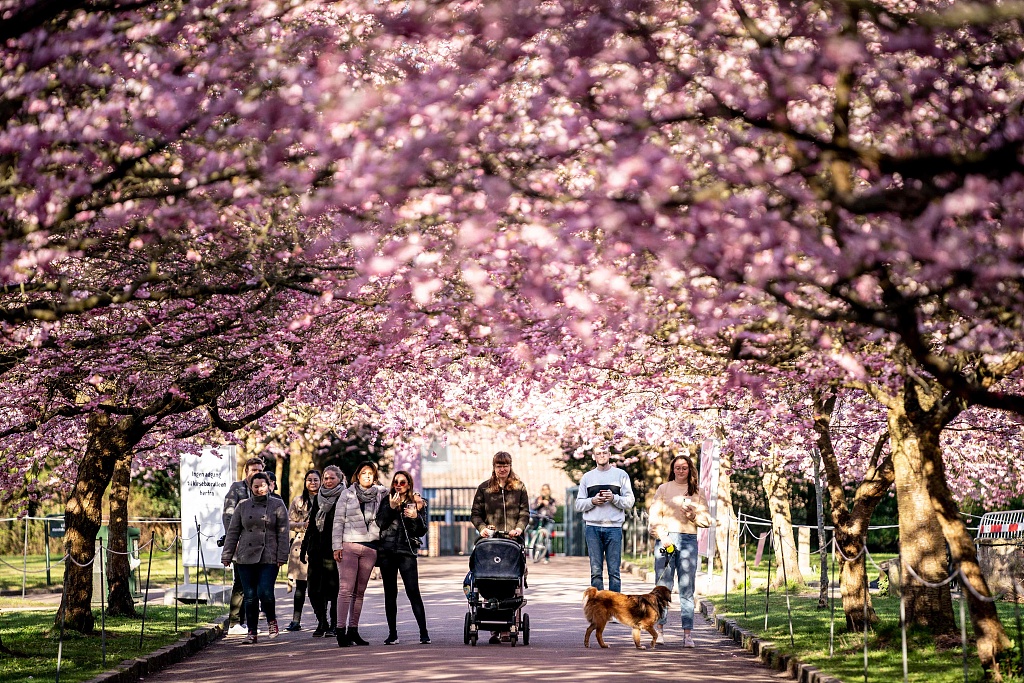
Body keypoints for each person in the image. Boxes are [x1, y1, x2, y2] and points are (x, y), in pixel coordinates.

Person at [648, 454, 710, 648]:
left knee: (686, 587)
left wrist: (693, 516)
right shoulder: (663, 489)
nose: (681, 470)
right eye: (677, 467)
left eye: (684, 467)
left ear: (690, 469)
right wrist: (662, 536)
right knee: (662, 587)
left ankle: (687, 634)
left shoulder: (697, 491)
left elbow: (706, 520)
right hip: (666, 540)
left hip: (688, 540)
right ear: (672, 469)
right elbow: (654, 516)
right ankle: (660, 630)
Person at [221, 471, 290, 644]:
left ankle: (271, 620)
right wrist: (227, 554)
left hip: (269, 556)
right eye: (256, 486)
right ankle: (252, 632)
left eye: (263, 485)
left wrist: (282, 555)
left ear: (269, 486)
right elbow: (233, 532)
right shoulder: (242, 506)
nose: (259, 489)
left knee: (265, 591)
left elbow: (283, 533)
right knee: (250, 595)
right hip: (245, 556)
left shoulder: (277, 505)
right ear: (250, 487)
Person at [471, 451, 530, 644]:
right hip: (490, 543)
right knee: (488, 580)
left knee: (510, 582)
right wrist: (482, 529)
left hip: (512, 542)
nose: (502, 469)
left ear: (510, 466)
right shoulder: (484, 489)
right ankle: (493, 628)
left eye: (505, 465)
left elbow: (524, 513)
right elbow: (475, 514)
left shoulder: (519, 488)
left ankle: (507, 625)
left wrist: (519, 529)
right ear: (494, 467)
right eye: (498, 465)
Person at [332, 460, 386, 647]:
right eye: (364, 473)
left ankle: (353, 630)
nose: (367, 476)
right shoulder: (347, 494)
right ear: (357, 475)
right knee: (346, 590)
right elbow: (338, 521)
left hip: (370, 548)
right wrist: (336, 546)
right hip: (349, 546)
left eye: (370, 473)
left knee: (360, 592)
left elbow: (400, 492)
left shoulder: (380, 493)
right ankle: (340, 630)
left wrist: (418, 498)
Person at [375, 470, 430, 645]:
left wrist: (415, 517)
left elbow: (422, 531)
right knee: (390, 593)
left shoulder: (418, 503)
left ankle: (424, 632)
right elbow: (380, 523)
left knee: (413, 591)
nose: (398, 485)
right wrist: (391, 508)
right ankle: (392, 633)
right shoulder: (387, 500)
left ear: (409, 484)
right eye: (396, 482)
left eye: (402, 482)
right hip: (387, 552)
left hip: (406, 552)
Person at [574, 446, 635, 593]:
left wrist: (614, 498)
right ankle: (599, 608)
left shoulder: (621, 475)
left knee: (614, 571)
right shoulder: (587, 477)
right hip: (592, 528)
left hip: (614, 527)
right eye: (598, 453)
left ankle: (615, 608)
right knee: (596, 571)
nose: (601, 455)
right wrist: (592, 501)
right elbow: (578, 504)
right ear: (594, 457)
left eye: (604, 452)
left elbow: (630, 501)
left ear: (609, 454)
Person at [300, 465, 345, 637]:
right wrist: (305, 546)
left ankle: (334, 623)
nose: (327, 481)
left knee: (333, 589)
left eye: (331, 478)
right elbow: (312, 523)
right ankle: (322, 621)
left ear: (339, 479)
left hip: (334, 550)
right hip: (316, 549)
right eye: (325, 478)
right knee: (313, 589)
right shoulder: (319, 497)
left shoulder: (345, 496)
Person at [222, 456, 265, 635]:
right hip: (241, 544)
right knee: (240, 582)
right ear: (246, 471)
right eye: (253, 470)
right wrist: (235, 540)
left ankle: (246, 622)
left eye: (259, 469)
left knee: (254, 584)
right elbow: (228, 516)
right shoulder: (237, 489)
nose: (256, 473)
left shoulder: (264, 489)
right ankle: (234, 622)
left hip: (260, 545)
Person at [285, 469, 320, 632]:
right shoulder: (299, 501)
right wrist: (300, 525)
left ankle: (322, 620)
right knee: (301, 585)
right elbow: (288, 522)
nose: (312, 483)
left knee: (319, 586)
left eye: (315, 480)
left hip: (320, 544)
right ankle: (295, 620)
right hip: (301, 544)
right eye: (309, 480)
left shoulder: (326, 500)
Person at [532, 484, 557, 563]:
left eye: (546, 489)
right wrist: (539, 503)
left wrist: (548, 505)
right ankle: (535, 555)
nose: (545, 491)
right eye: (543, 489)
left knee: (547, 537)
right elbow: (532, 507)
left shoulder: (552, 500)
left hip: (548, 520)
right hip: (539, 520)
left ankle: (547, 557)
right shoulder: (538, 499)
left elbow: (554, 511)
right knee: (534, 534)